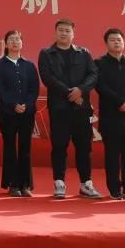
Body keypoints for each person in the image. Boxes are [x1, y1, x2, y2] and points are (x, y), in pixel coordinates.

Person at [38, 18, 101, 199]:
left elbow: (93, 74)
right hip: (59, 108)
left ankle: (86, 184)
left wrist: (81, 89)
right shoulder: (46, 53)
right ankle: (59, 183)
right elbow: (47, 77)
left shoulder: (83, 53)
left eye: (67, 30)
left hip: (81, 108)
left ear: (73, 34)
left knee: (84, 147)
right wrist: (69, 93)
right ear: (55, 32)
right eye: (61, 30)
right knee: (59, 146)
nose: (64, 33)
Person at [95, 28, 125, 200]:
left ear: (123, 42)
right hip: (111, 115)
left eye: (119, 40)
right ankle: (114, 188)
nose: (116, 42)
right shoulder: (99, 63)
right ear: (106, 43)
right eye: (112, 40)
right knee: (112, 154)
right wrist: (119, 101)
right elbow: (100, 86)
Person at [0, 30, 40, 197]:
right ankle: (12, 184)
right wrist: (14, 105)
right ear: (6, 44)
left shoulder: (29, 65)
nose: (14, 42)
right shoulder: (0, 65)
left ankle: (25, 184)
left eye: (17, 39)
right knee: (10, 147)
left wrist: (27, 104)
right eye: (11, 40)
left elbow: (34, 89)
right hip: (7, 112)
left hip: (27, 112)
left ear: (22, 43)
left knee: (25, 148)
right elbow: (0, 89)